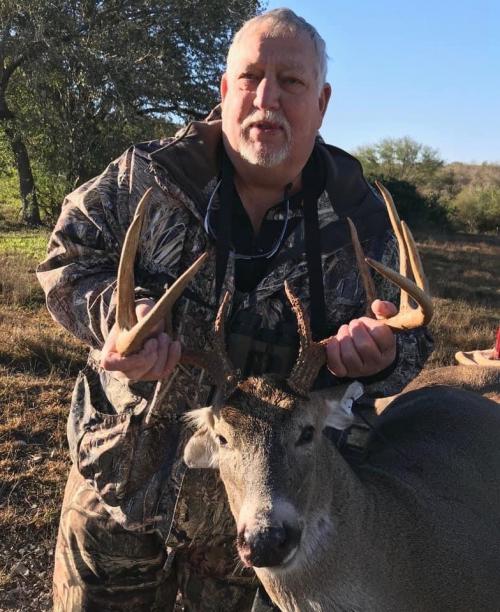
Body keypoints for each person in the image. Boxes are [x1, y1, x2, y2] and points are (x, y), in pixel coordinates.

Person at [37, 8, 433, 611]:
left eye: (292, 82)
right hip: (120, 483)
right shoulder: (147, 177)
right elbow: (69, 258)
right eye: (250, 77)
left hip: (261, 526)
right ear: (224, 90)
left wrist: (380, 355)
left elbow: (409, 338)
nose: (266, 98)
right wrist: (116, 318)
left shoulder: (360, 216)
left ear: (322, 102)